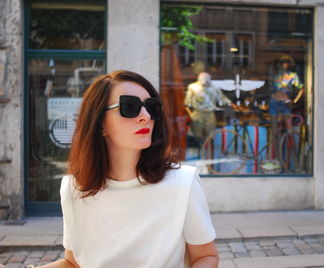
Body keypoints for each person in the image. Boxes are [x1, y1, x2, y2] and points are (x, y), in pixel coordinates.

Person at [32, 70, 218, 268]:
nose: (146, 116)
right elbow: (73, 263)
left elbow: (205, 257)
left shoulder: (183, 183)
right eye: (130, 107)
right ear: (100, 122)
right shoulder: (74, 188)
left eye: (152, 107)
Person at [268, 55, 304, 166]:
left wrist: (295, 100)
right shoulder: (275, 76)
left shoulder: (292, 76)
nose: (284, 65)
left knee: (290, 132)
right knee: (274, 134)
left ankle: (296, 162)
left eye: (286, 62)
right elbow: (270, 89)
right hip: (274, 102)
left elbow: (301, 88)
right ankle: (277, 160)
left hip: (285, 104)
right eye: (283, 62)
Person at [185, 72, 232, 142]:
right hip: (197, 113)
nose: (205, 83)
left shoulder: (214, 88)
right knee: (196, 135)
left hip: (210, 114)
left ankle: (209, 150)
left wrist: (231, 104)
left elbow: (222, 98)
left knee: (210, 136)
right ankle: (197, 150)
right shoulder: (192, 87)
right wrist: (191, 115)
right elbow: (187, 103)